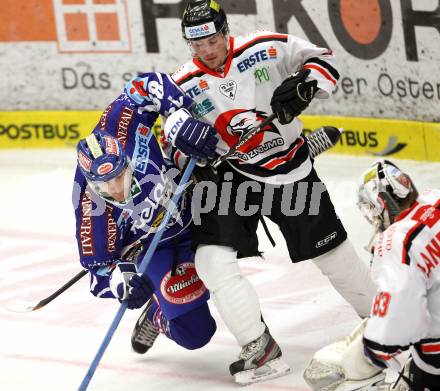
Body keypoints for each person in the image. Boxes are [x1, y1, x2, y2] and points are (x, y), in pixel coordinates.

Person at [160, 0, 377, 384]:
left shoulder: (264, 47)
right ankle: (260, 349)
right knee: (211, 260)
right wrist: (185, 146)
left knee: (333, 256)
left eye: (212, 39)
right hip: (233, 175)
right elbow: (170, 143)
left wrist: (306, 83)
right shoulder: (181, 86)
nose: (206, 51)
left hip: (290, 169)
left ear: (226, 32)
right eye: (197, 45)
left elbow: (324, 60)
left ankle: (385, 327)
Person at [72, 71, 219, 354]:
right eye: (104, 183)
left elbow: (146, 85)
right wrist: (121, 281)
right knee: (197, 334)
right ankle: (156, 314)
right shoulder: (91, 211)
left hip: (194, 211)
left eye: (119, 175)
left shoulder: (120, 125)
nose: (115, 188)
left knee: (234, 252)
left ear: (125, 158)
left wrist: (177, 120)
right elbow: (98, 272)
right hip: (154, 248)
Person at [303, 160, 440, 391]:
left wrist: (368, 353)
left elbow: (395, 317)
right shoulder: (434, 198)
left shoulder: (396, 241)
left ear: (382, 202)